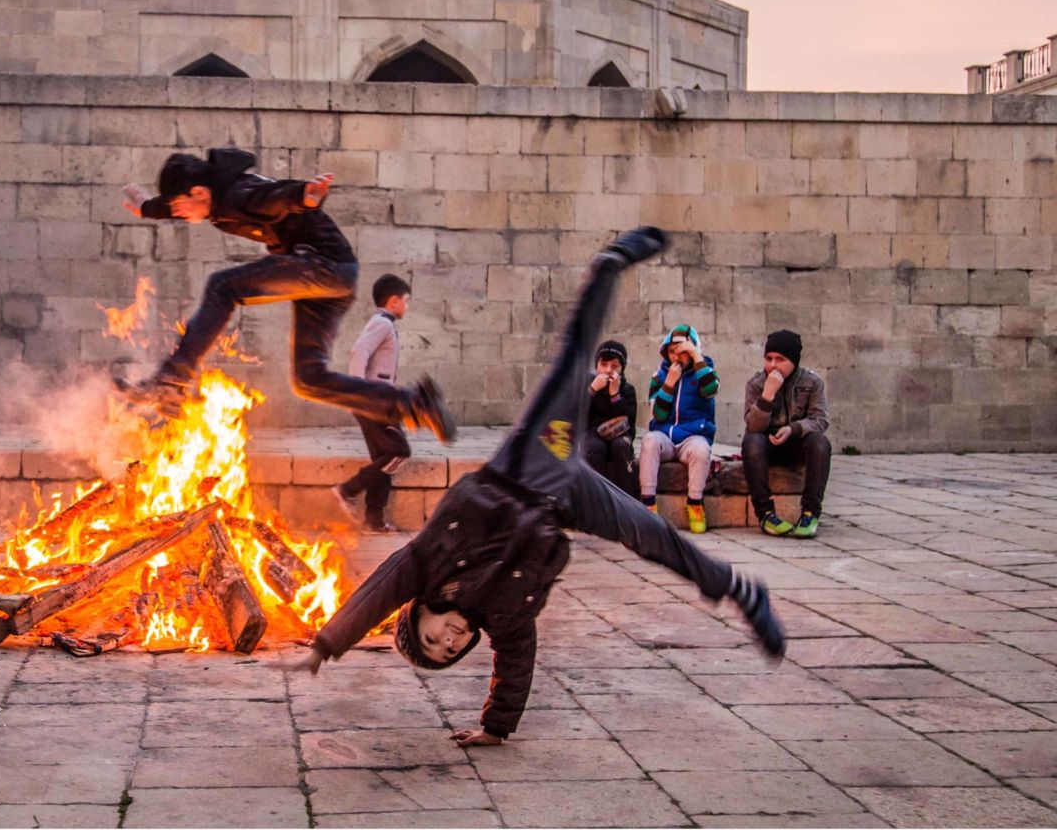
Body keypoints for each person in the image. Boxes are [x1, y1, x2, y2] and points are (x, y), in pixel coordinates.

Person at [291, 227, 784, 747]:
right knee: (651, 533)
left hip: (527, 466)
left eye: (434, 637)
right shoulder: (505, 617)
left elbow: (380, 591)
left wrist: (326, 645)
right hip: (564, 499)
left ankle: (609, 264)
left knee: (573, 362)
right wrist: (495, 729)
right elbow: (515, 665)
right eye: (451, 651)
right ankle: (739, 590)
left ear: (423, 609)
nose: (450, 640)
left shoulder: (427, 564)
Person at [120, 148, 455, 442]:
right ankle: (414, 404)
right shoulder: (213, 195)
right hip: (332, 277)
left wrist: (304, 196)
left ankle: (172, 379)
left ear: (198, 192)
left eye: (179, 209)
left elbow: (273, 196)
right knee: (309, 379)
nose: (179, 215)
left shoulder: (238, 194)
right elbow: (180, 203)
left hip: (321, 265)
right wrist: (148, 208)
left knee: (223, 287)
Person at [334, 274, 414, 532]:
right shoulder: (383, 324)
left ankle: (374, 519)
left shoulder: (383, 323)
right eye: (406, 301)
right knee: (398, 452)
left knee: (383, 459)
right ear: (393, 301)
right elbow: (359, 351)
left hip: (377, 400)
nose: (407, 306)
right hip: (375, 402)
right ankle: (347, 490)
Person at [742, 330, 832, 538]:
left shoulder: (812, 383)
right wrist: (767, 395)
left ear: (794, 361)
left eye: (780, 359)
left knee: (820, 443)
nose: (773, 365)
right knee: (751, 442)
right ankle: (765, 514)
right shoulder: (756, 384)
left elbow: (820, 420)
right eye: (769, 358)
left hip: (796, 443)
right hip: (768, 443)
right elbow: (753, 426)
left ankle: (810, 513)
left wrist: (793, 430)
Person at [638, 324, 720, 533]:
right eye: (672, 352)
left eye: (682, 351)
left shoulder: (705, 370)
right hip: (665, 436)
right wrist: (669, 384)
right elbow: (658, 414)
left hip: (692, 436)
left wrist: (695, 355)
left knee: (702, 451)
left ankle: (695, 504)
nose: (676, 357)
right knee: (649, 441)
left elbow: (710, 390)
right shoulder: (660, 375)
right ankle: (648, 504)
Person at [582, 340, 638, 499]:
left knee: (620, 447)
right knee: (594, 447)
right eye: (604, 364)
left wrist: (615, 395)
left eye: (614, 366)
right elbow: (576, 413)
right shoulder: (587, 385)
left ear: (622, 369)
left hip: (621, 434)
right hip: (591, 432)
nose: (608, 370)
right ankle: (594, 498)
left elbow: (628, 423)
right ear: (596, 365)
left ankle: (628, 499)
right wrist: (592, 390)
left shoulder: (627, 390)